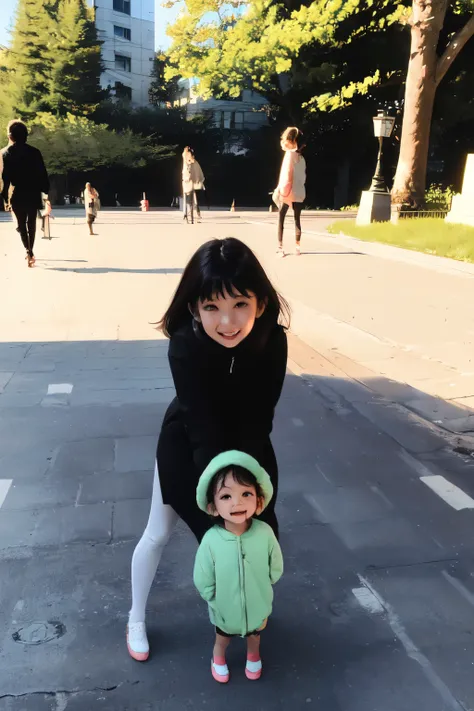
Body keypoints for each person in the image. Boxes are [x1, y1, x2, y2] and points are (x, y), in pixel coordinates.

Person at [127, 237, 289, 662]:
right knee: (160, 532)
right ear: (195, 308)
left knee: (259, 533)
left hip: (249, 445)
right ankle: (135, 617)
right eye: (212, 307)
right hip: (188, 444)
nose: (228, 321)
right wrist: (220, 495)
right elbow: (200, 422)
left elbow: (260, 417)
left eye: (240, 304)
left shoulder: (273, 342)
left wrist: (248, 485)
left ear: (261, 302)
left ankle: (249, 611)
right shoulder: (184, 343)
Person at [194, 450, 283, 683]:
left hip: (258, 604)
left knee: (255, 635)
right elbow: (203, 575)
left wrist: (265, 585)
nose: (237, 503)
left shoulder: (264, 533)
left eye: (246, 493)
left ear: (259, 499)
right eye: (226, 497)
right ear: (212, 506)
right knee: (222, 637)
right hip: (224, 608)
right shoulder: (211, 540)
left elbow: (275, 563)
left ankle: (253, 655)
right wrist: (213, 598)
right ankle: (217, 656)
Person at [1, 120, 50, 268]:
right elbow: (42, 174)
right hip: (33, 192)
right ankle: (30, 250)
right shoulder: (35, 152)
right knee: (31, 224)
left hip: (17, 192)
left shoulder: (6, 153)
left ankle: (28, 250)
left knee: (21, 225)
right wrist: (46, 192)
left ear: (11, 136)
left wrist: (4, 196)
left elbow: (6, 177)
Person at [275, 127, 306, 258]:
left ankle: (280, 247)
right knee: (297, 219)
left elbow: (286, 175)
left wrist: (281, 190)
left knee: (281, 218)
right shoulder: (301, 157)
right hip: (299, 191)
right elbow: (303, 176)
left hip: (287, 191)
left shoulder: (289, 155)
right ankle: (297, 247)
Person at [182, 146, 205, 224]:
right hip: (187, 182)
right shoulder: (186, 161)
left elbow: (199, 174)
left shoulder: (194, 162)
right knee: (188, 199)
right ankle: (187, 214)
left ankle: (194, 214)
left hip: (193, 183)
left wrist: (198, 180)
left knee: (193, 200)